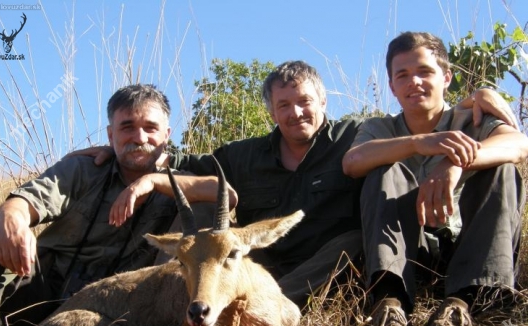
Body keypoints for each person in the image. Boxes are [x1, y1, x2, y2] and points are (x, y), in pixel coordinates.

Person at [80, 61, 518, 311]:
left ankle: (266, 311)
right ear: (270, 110)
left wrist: (473, 97)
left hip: (322, 271)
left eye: (305, 101)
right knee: (196, 225)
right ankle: (162, 307)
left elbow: (418, 117)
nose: (296, 113)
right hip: (258, 267)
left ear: (323, 102)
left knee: (350, 243)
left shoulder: (356, 136)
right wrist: (123, 151)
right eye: (283, 105)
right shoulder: (241, 156)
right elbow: (168, 159)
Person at [0, 84, 236, 326]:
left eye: (150, 128)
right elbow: (25, 202)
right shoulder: (83, 168)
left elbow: (225, 195)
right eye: (127, 127)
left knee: (205, 211)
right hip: (41, 300)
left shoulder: (179, 184)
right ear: (111, 135)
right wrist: (13, 220)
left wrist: (152, 182)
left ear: (166, 135)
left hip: (116, 313)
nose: (140, 138)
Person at [342, 32, 528, 326]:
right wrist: (417, 143)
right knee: (383, 171)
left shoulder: (471, 119)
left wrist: (455, 162)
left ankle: (459, 309)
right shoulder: (380, 127)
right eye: (402, 75)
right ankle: (389, 308)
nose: (414, 82)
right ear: (392, 86)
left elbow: (518, 145)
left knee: (503, 171)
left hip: (468, 251)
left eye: (425, 71)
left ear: (446, 77)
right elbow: (353, 162)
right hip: (411, 254)